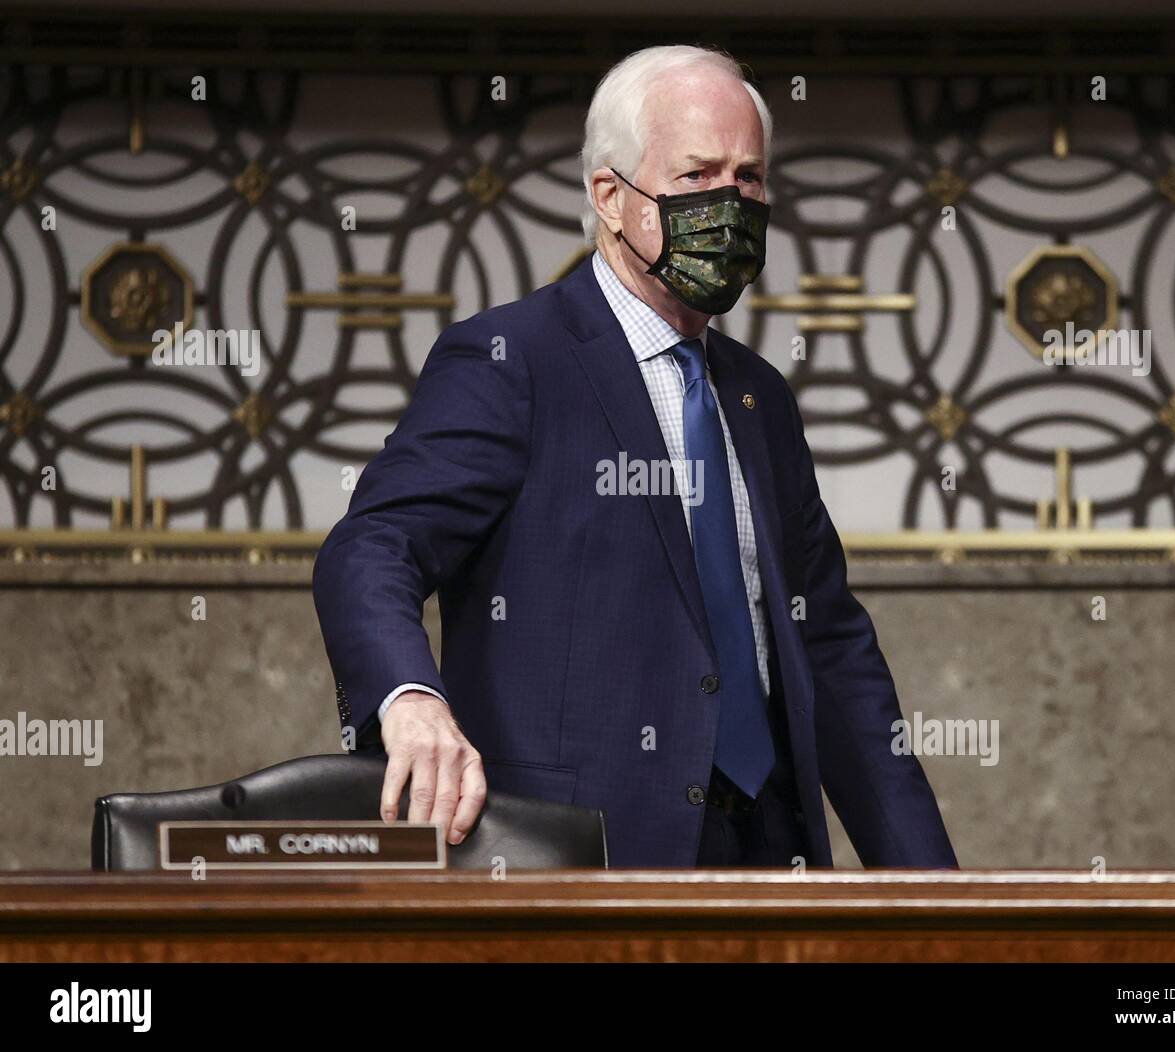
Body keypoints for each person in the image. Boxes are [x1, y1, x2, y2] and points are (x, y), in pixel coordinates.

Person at [313, 44, 957, 869]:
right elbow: (372, 547)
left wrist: (934, 896)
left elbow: (830, 649)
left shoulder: (761, 399)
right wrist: (409, 701)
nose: (730, 202)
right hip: (580, 858)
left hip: (771, 852)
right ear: (610, 196)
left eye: (749, 178)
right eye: (696, 177)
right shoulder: (514, 360)